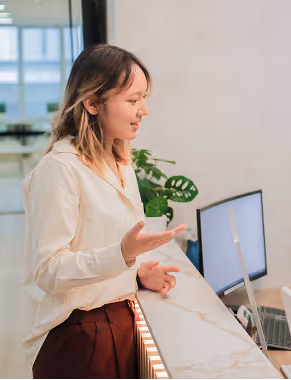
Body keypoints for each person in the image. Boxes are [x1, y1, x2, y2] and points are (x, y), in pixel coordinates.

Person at [22, 44, 187, 378]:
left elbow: (102, 242)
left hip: (121, 321)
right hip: (79, 338)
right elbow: (49, 271)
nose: (144, 110)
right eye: (132, 100)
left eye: (144, 98)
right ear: (93, 103)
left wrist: (136, 272)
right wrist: (122, 254)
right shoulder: (59, 169)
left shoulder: (118, 157)